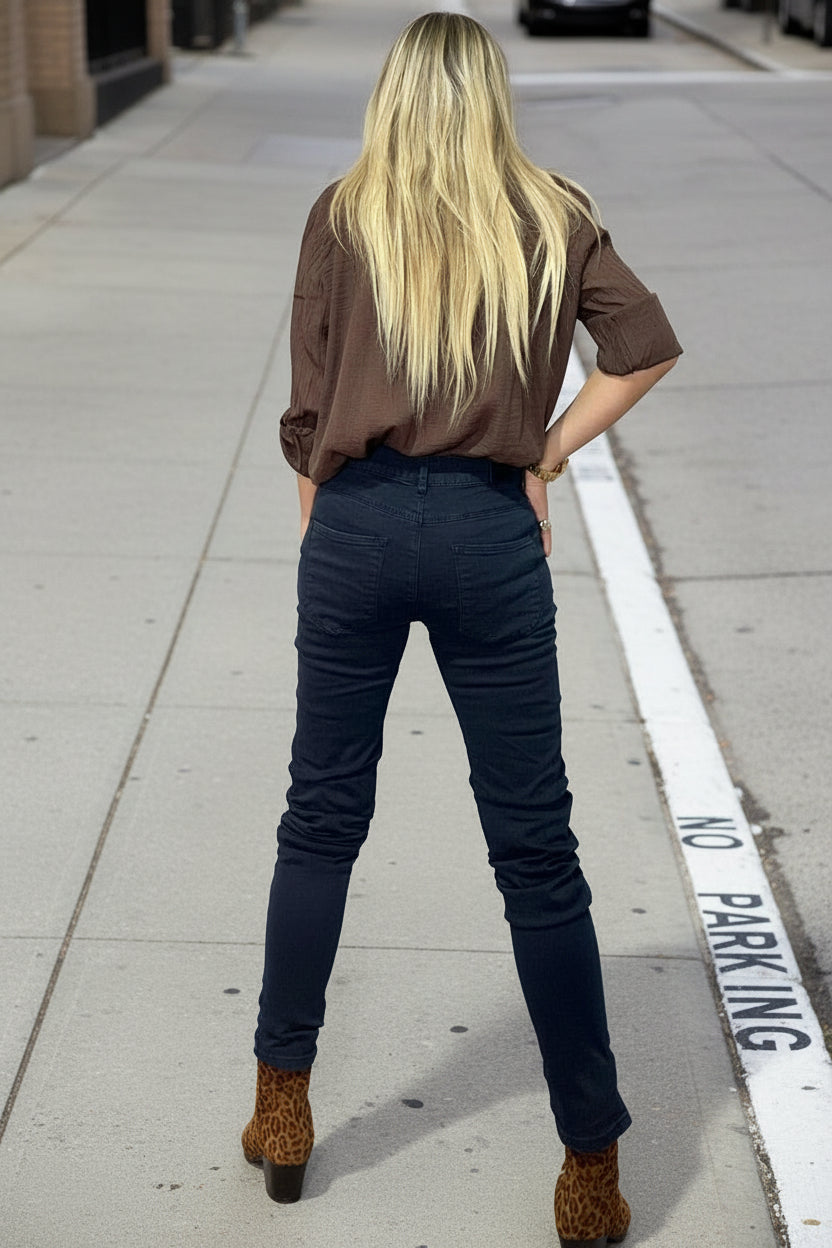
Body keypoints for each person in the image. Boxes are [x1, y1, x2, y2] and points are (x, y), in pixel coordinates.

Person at [241, 12, 682, 1246]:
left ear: (393, 96)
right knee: (535, 850)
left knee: (320, 818)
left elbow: (310, 412)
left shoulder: (345, 213)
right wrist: (545, 451)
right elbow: (642, 351)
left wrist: (330, 532)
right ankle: (588, 1166)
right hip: (490, 534)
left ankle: (283, 1106)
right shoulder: (552, 213)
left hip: (357, 528)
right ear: (492, 97)